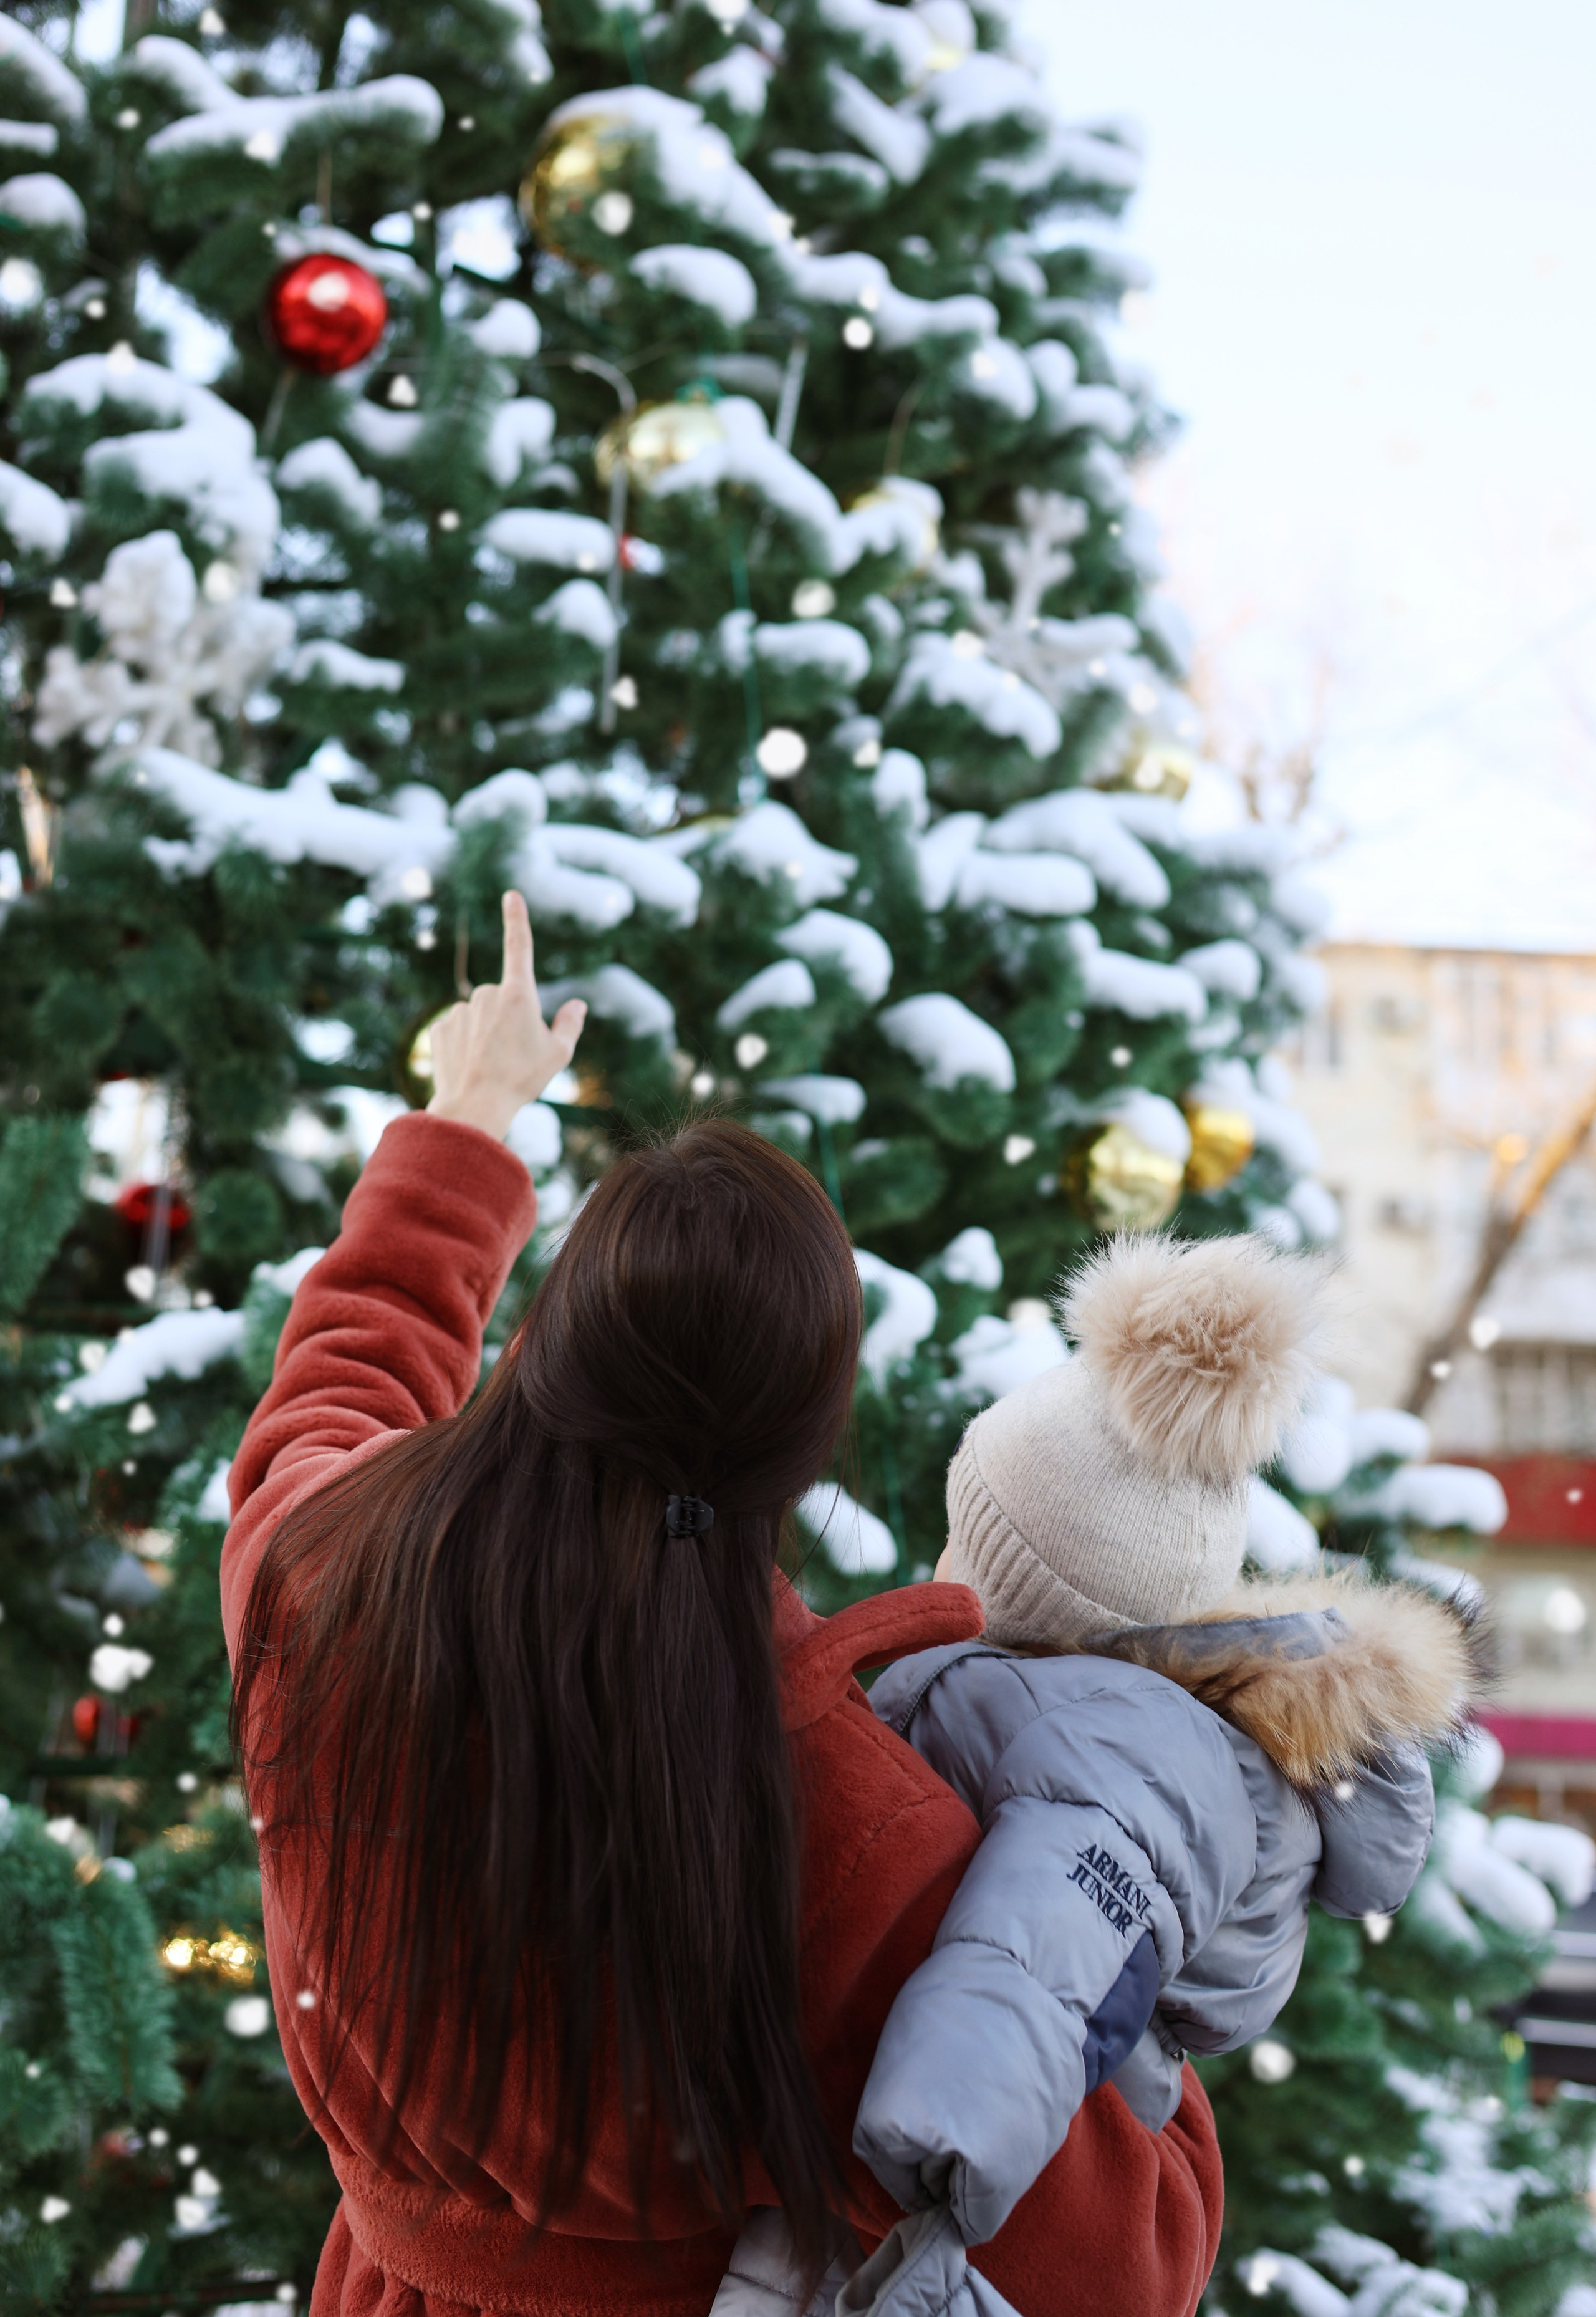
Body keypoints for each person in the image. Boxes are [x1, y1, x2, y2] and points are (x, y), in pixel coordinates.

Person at [224, 892, 1226, 2317]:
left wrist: (471, 1111)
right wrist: (1155, 1990)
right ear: (798, 1447)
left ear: (557, 1341)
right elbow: (1123, 2269)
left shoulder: (316, 1568)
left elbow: (347, 1365)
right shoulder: (849, 1823)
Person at [845, 1231, 1479, 2259]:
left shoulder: (1108, 1752)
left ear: (1030, 1605)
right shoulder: (1127, 1725)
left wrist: (939, 2136)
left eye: (970, 1546)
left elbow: (1036, 1951)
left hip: (991, 2182)